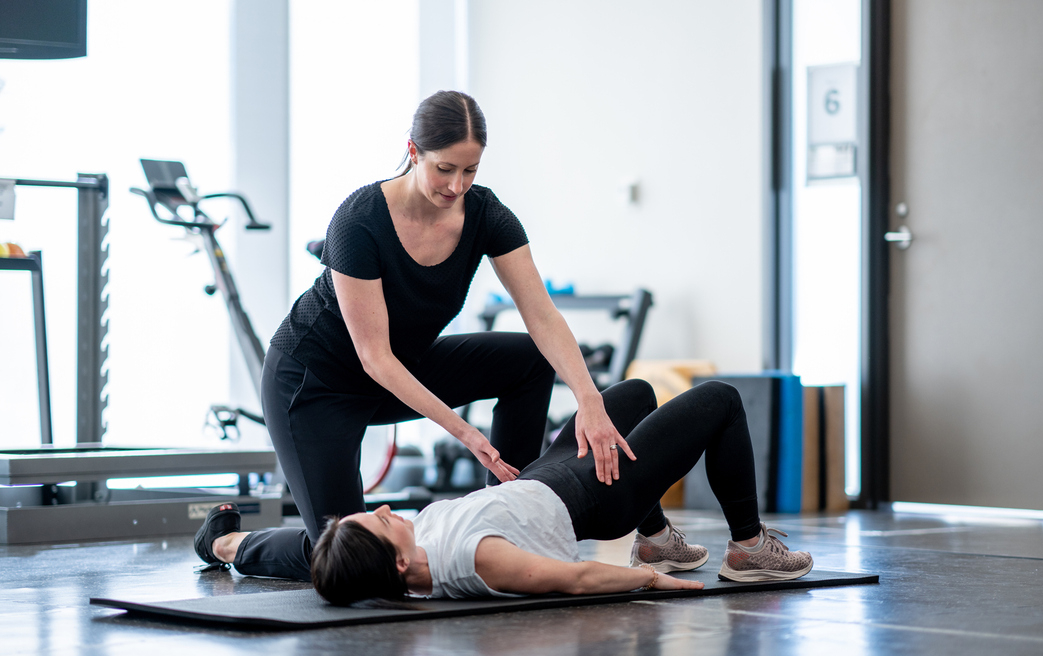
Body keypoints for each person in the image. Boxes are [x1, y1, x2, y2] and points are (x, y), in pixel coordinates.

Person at [193, 91, 705, 580]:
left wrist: (589, 399)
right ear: (413, 152)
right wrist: (465, 433)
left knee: (528, 359)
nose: (456, 185)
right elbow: (375, 359)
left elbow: (542, 317)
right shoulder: (359, 220)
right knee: (349, 552)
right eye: (444, 168)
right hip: (315, 384)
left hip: (403, 366)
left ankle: (501, 520)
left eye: (470, 170)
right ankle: (227, 543)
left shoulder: (485, 214)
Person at [298, 379, 812, 603]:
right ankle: (749, 547)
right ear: (398, 566)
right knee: (721, 400)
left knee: (633, 396)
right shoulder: (473, 559)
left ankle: (656, 536)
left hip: (548, 474)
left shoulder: (402, 560)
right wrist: (652, 582)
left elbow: (340, 573)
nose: (386, 507)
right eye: (381, 520)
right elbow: (578, 579)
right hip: (599, 497)